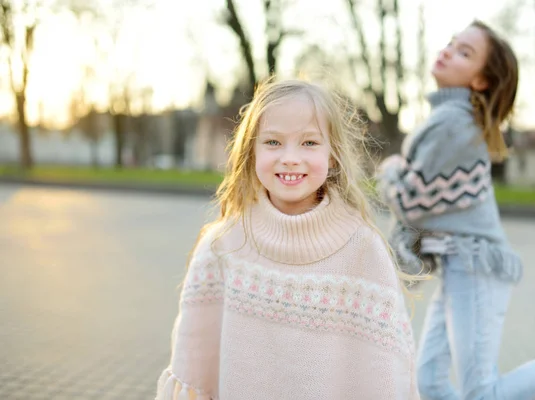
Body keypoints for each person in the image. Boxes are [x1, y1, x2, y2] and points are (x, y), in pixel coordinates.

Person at [155, 79, 421, 400]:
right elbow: (194, 367)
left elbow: (385, 371)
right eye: (273, 142)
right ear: (251, 151)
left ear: (333, 155)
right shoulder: (223, 246)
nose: (290, 157)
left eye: (309, 143)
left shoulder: (363, 250)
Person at [377, 20, 535, 400]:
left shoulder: (454, 124)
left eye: (465, 52)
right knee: (430, 382)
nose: (448, 50)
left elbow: (410, 202)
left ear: (481, 81)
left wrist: (391, 168)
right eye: (451, 43)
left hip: (477, 267)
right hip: (459, 264)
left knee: (481, 393)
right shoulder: (448, 119)